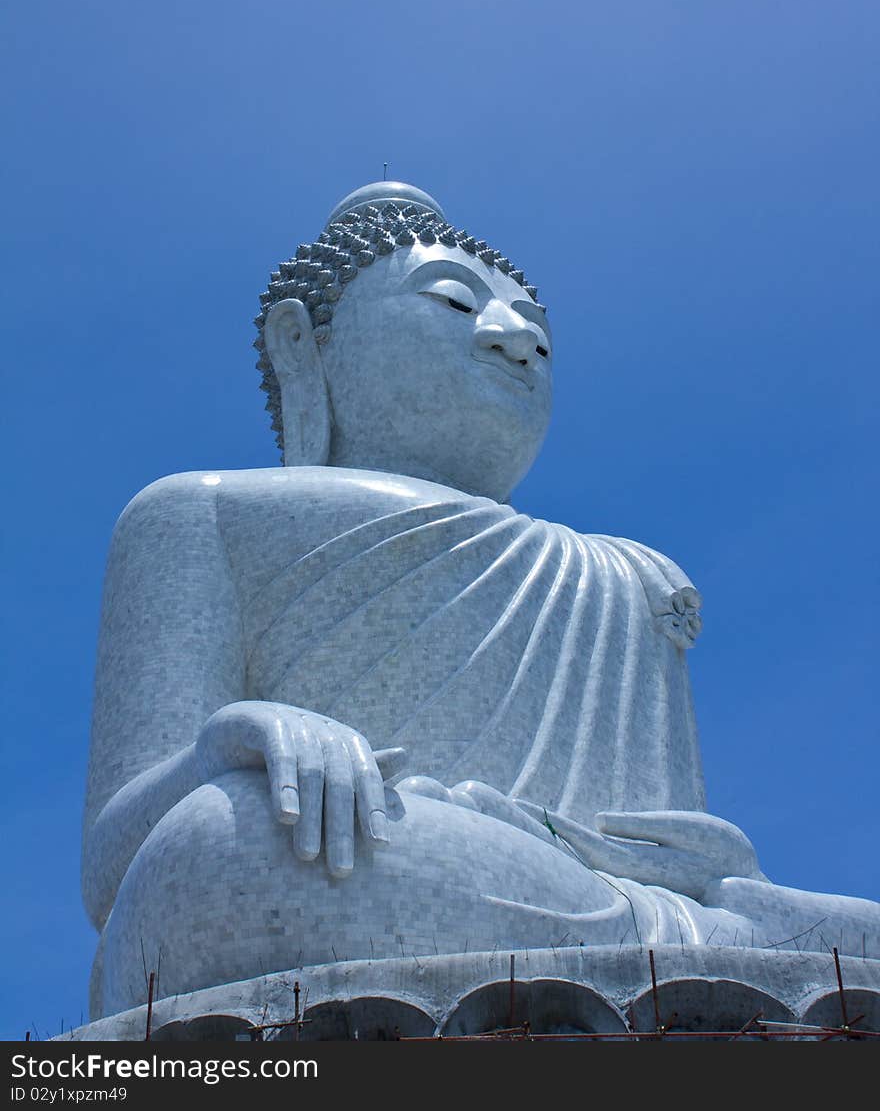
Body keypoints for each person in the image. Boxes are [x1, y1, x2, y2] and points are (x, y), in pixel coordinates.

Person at [82, 182, 880, 1018]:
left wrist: (723, 874)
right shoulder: (198, 512)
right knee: (223, 844)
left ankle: (697, 945)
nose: (516, 341)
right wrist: (227, 743)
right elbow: (113, 866)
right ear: (302, 345)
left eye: (537, 330)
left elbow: (651, 845)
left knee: (827, 924)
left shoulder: (624, 573)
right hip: (366, 852)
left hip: (559, 892)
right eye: (457, 303)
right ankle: (707, 956)